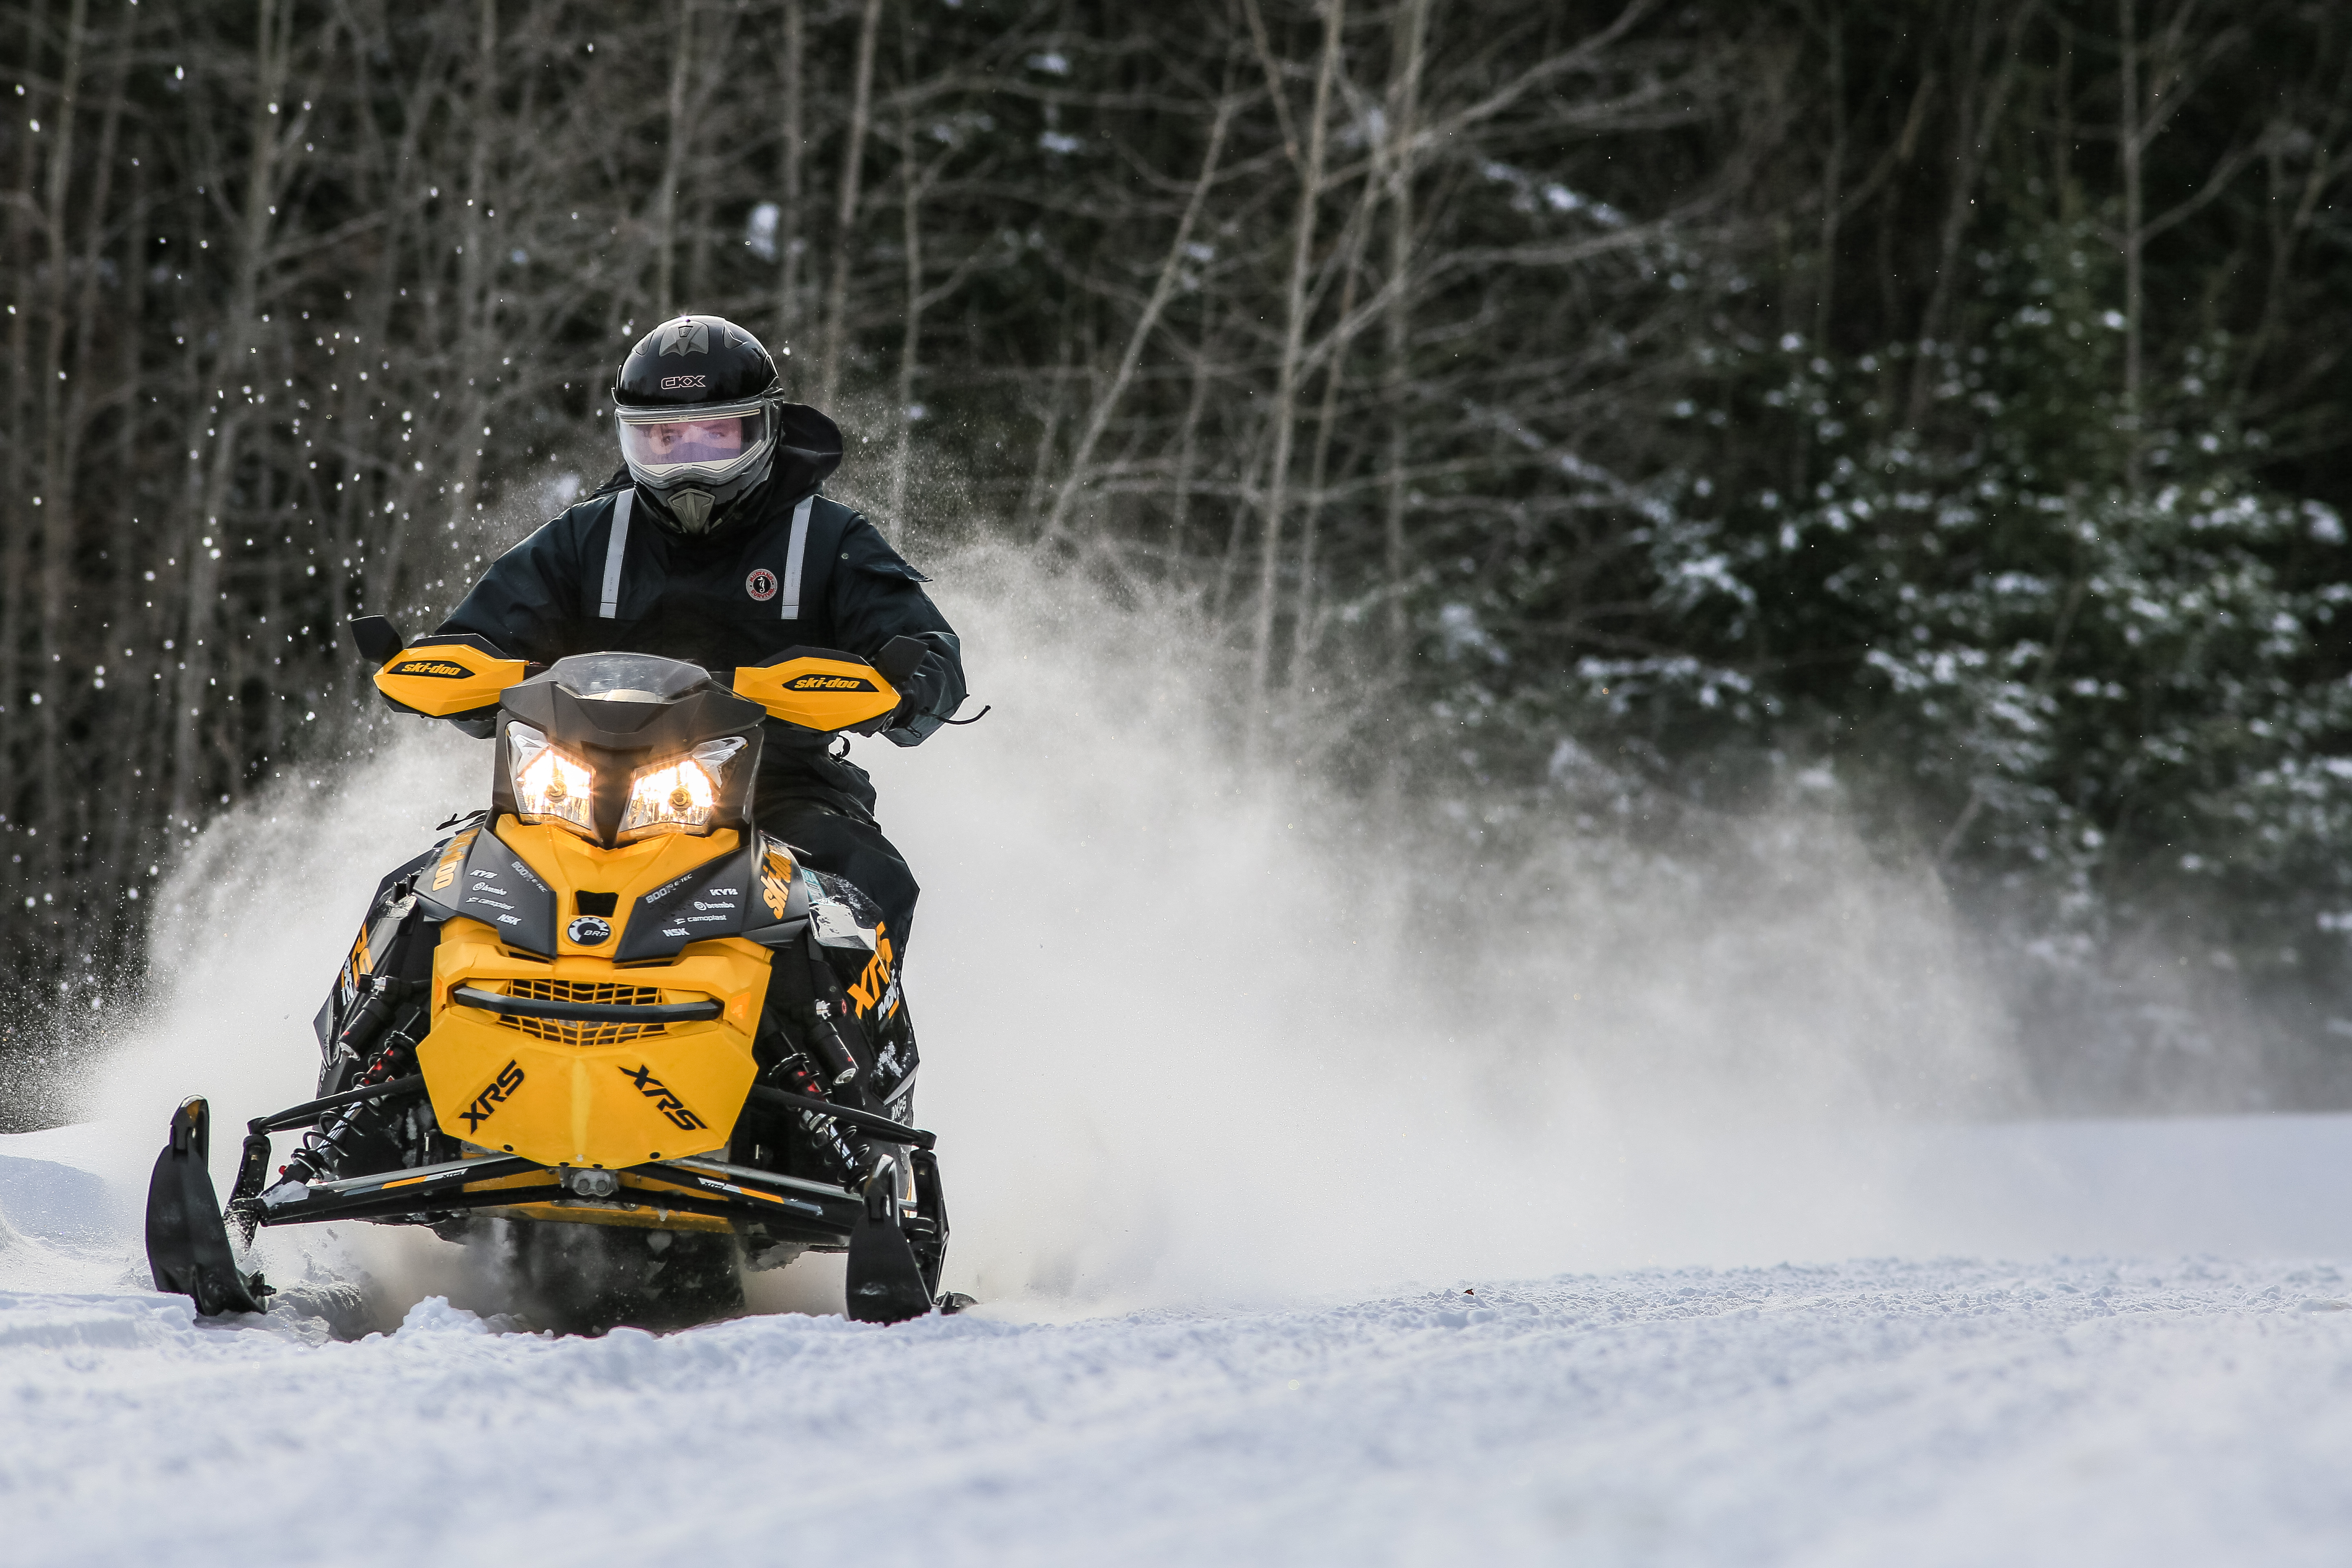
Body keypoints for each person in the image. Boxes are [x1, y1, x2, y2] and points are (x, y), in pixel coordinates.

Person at [432, 314, 965, 959]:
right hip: (573, 786)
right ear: (630, 440)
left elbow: (925, 643)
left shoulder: (827, 538)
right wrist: (448, 671)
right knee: (430, 884)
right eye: (663, 441)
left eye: (715, 438)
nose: (688, 466)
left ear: (765, 431)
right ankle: (376, 1044)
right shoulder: (588, 535)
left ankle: (841, 1047)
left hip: (778, 783)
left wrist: (907, 685)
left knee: (866, 876)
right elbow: (477, 636)